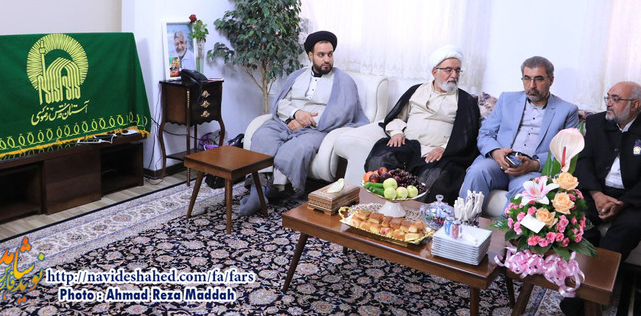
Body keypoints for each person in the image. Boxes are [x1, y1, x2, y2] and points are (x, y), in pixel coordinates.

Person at [560, 81, 641, 316]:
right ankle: (582, 282)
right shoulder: (596, 123)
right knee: (578, 219)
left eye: (615, 99)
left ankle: (587, 296)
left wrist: (623, 203)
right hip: (596, 190)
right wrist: (596, 194)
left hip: (634, 199)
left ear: (635, 105)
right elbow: (583, 162)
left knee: (628, 228)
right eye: (608, 97)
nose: (608, 103)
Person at [239, 30, 368, 216]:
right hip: (286, 122)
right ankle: (258, 189)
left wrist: (304, 122)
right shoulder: (297, 75)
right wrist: (296, 114)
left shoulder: (343, 81)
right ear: (310, 55)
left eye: (330, 54)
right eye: (321, 55)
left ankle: (270, 191)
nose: (327, 60)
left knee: (296, 149)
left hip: (318, 128)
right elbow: (282, 101)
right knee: (262, 136)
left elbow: (341, 112)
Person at [363, 45, 480, 204]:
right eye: (449, 70)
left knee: (435, 178)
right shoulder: (416, 90)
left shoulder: (466, 101)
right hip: (409, 145)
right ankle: (381, 207)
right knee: (379, 160)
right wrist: (397, 132)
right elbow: (396, 116)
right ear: (434, 71)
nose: (454, 75)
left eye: (457, 71)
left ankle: (414, 216)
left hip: (440, 153)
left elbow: (467, 135)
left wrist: (444, 148)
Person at [459, 56, 579, 208]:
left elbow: (567, 153)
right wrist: (495, 152)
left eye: (539, 79)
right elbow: (485, 133)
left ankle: (503, 225)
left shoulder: (567, 110)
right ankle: (465, 220)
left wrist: (535, 164)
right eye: (527, 78)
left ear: (551, 80)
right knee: (477, 172)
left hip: (531, 171)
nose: (532, 85)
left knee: (528, 191)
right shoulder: (507, 99)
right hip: (497, 162)